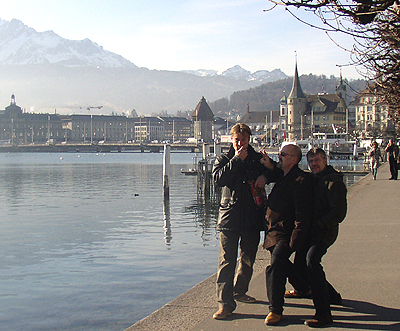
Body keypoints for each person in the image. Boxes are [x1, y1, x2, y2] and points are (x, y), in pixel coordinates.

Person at [212, 123, 269, 320]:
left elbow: (275, 171)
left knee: (248, 259)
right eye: (237, 139)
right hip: (229, 217)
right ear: (232, 139)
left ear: (248, 140)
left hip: (252, 217)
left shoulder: (257, 159)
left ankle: (240, 290)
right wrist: (236, 160)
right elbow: (218, 179)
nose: (240, 143)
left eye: (243, 140)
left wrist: (264, 174)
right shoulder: (224, 158)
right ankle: (224, 304)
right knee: (226, 261)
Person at [286, 148, 347, 327]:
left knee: (311, 262)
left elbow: (339, 213)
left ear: (325, 160)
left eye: (317, 160)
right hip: (310, 231)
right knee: (299, 264)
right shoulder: (312, 179)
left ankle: (323, 314)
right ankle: (332, 296)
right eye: (311, 161)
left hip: (325, 231)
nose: (314, 164)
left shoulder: (334, 183)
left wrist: (318, 224)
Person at [260, 143, 313, 325]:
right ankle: (303, 288)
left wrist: (294, 240)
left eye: (283, 154)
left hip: (286, 233)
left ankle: (275, 310)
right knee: (282, 263)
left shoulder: (300, 181)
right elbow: (276, 169)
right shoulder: (283, 174)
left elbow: (302, 214)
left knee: (276, 265)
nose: (280, 156)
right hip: (273, 230)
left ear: (294, 159)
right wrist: (270, 165)